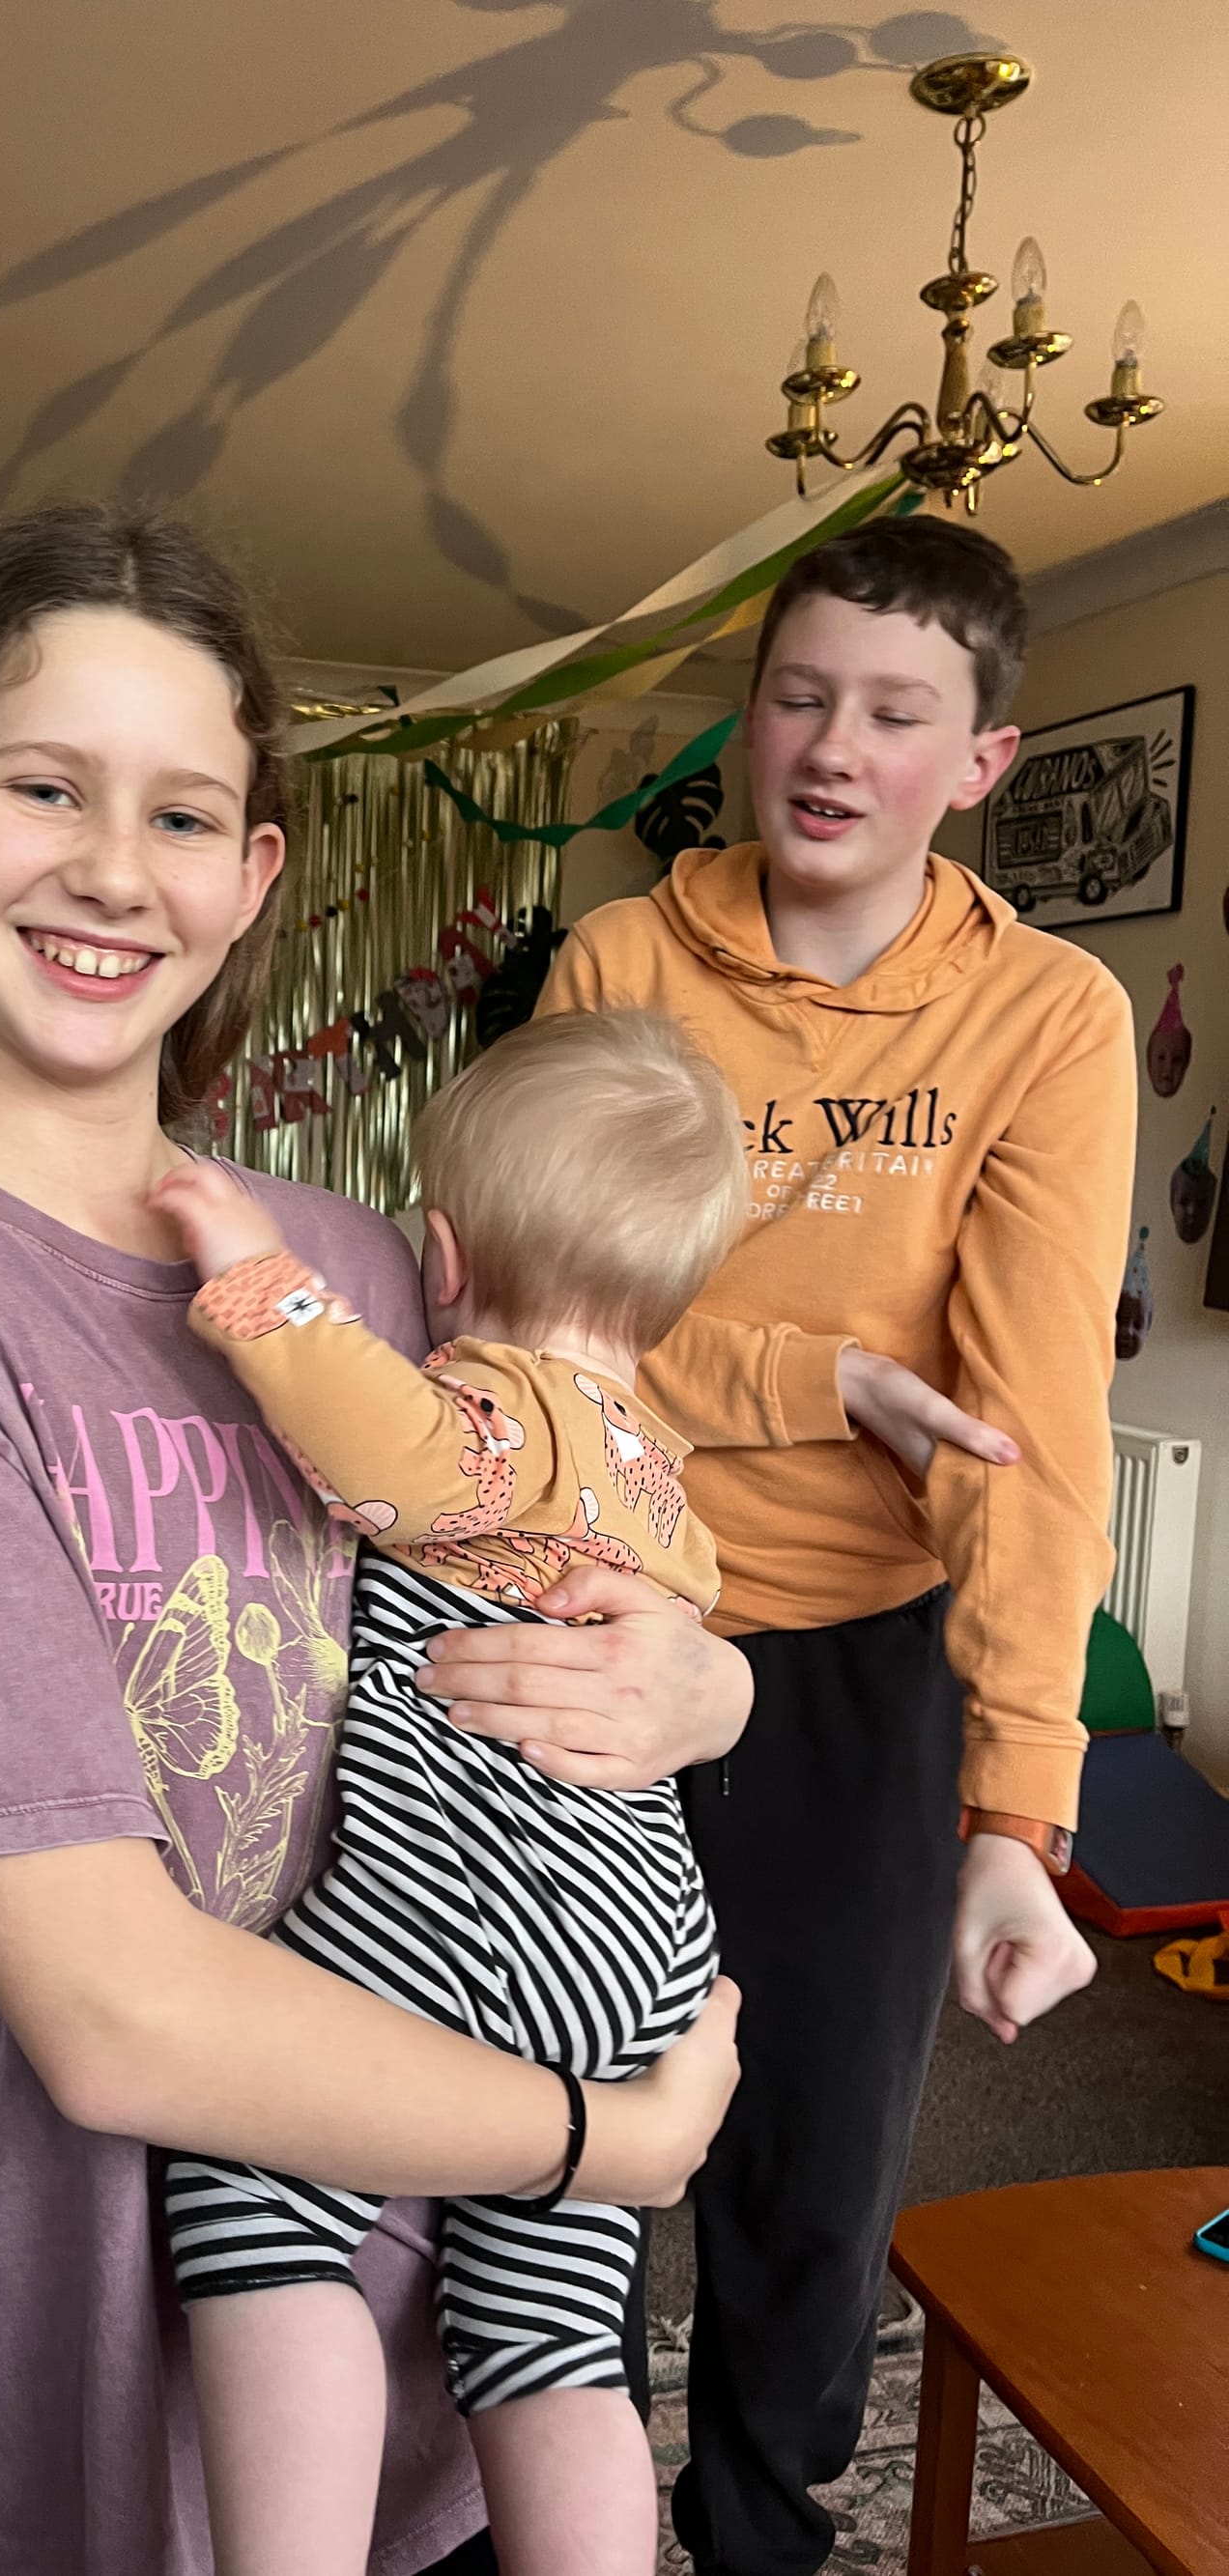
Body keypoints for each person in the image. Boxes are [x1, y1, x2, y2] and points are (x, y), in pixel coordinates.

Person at [0, 499, 752, 2576]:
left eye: (185, 813)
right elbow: (113, 2011)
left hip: (465, 2370)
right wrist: (614, 2134)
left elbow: (582, 1510)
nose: (117, 870)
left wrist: (701, 1681)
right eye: (46, 786)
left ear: (254, 875)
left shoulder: (354, 1266)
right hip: (159, 2416)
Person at [534, 513, 1135, 2576]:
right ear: (752, 711)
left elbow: (1028, 1421)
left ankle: (757, 2537)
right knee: (566, 2135)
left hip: (874, 1654)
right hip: (611, 1604)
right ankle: (544, 2518)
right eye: (799, 697)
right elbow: (545, 1321)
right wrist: (830, 1377)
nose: (832, 749)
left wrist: (1018, 1807)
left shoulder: (1047, 1016)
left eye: (893, 713)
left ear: (980, 758)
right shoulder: (621, 964)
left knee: (811, 2166)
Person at [153, 1008, 746, 2576]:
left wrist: (252, 1269)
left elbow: (374, 1442)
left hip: (474, 1893)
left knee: (250, 2170)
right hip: (641, 1937)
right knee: (553, 2321)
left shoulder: (498, 1415)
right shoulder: (661, 1474)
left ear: (444, 1255)